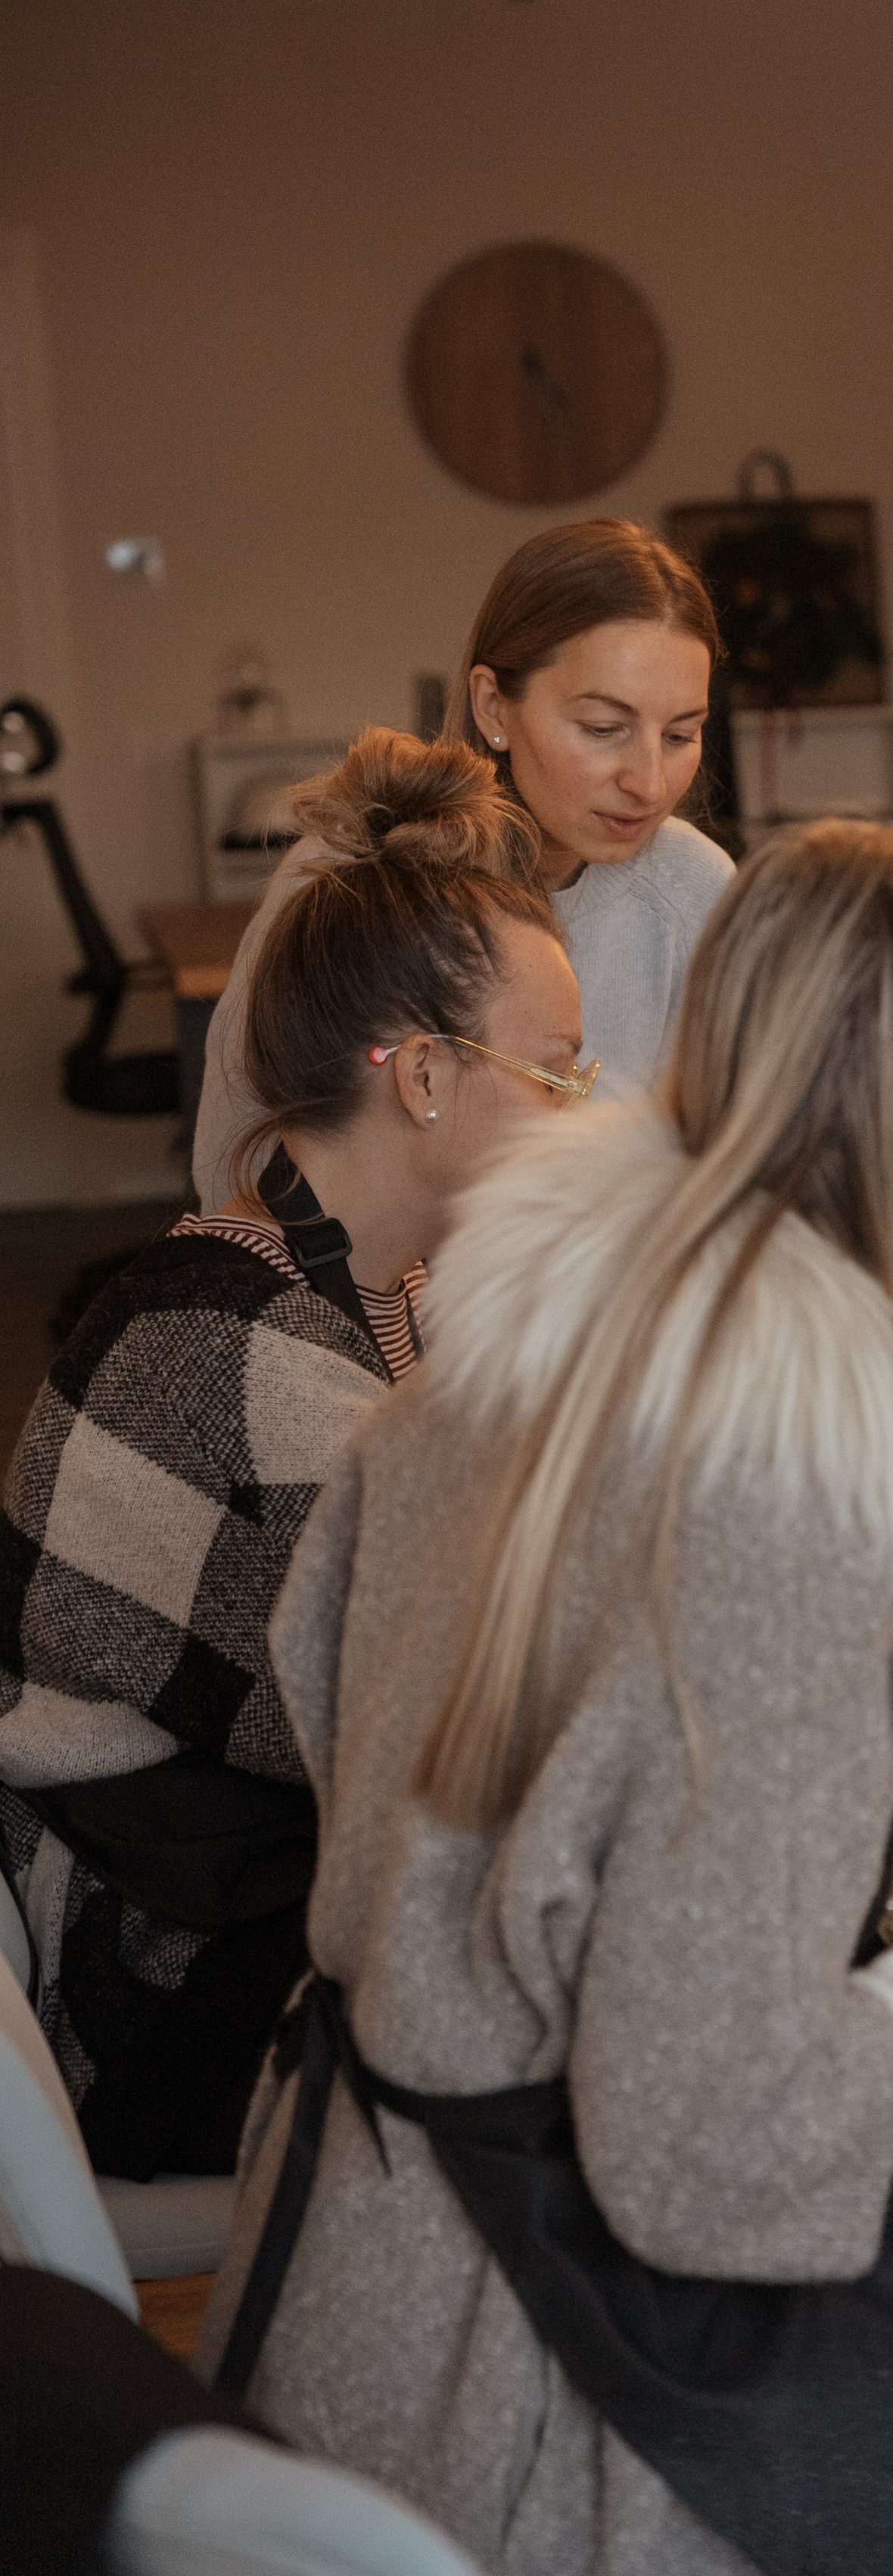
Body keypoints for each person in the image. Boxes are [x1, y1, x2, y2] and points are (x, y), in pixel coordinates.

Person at [199, 820, 893, 2576]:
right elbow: (707, 2155)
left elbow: (339, 1712)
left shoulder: (491, 1363)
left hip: (352, 2285)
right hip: (556, 2403)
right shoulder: (789, 1497)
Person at [0, 730, 584, 2179]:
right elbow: (472, 1754)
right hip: (157, 1996)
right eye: (559, 1075)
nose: (583, 1120)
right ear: (429, 1080)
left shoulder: (380, 1294)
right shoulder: (241, 1357)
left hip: (233, 1909)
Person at [193, 520, 733, 1205]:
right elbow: (232, 1162)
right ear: (491, 705)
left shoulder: (697, 894)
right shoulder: (353, 871)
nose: (651, 783)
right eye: (603, 729)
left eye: (682, 734)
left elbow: (731, 1178)